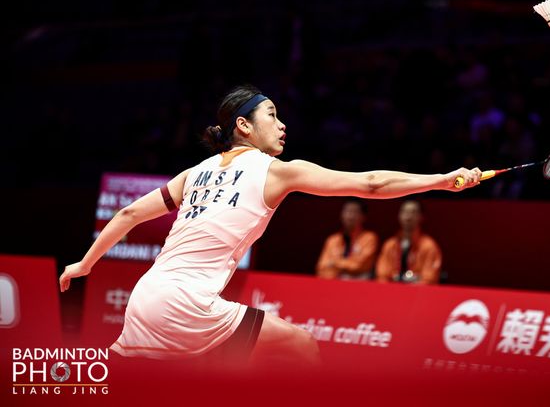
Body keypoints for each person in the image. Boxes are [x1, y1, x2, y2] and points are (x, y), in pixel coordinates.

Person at [59, 84, 482, 367]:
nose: (282, 125)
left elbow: (128, 215)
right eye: (272, 114)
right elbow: (371, 183)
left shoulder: (193, 173)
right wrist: (441, 181)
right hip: (187, 303)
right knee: (302, 346)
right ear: (243, 126)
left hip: (145, 296)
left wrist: (84, 265)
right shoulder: (275, 171)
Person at [375, 199, 442, 284]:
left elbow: (429, 280)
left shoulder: (429, 246)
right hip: (391, 290)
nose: (408, 217)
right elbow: (382, 277)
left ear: (421, 217)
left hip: (418, 291)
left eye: (413, 212)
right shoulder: (390, 245)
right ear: (399, 215)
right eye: (405, 212)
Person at [315, 199, 378, 280]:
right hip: (333, 282)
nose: (350, 216)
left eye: (354, 212)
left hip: (358, 283)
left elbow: (359, 266)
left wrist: (334, 263)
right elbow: (321, 268)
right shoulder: (332, 240)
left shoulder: (369, 238)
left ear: (363, 217)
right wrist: (345, 266)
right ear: (341, 214)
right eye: (347, 211)